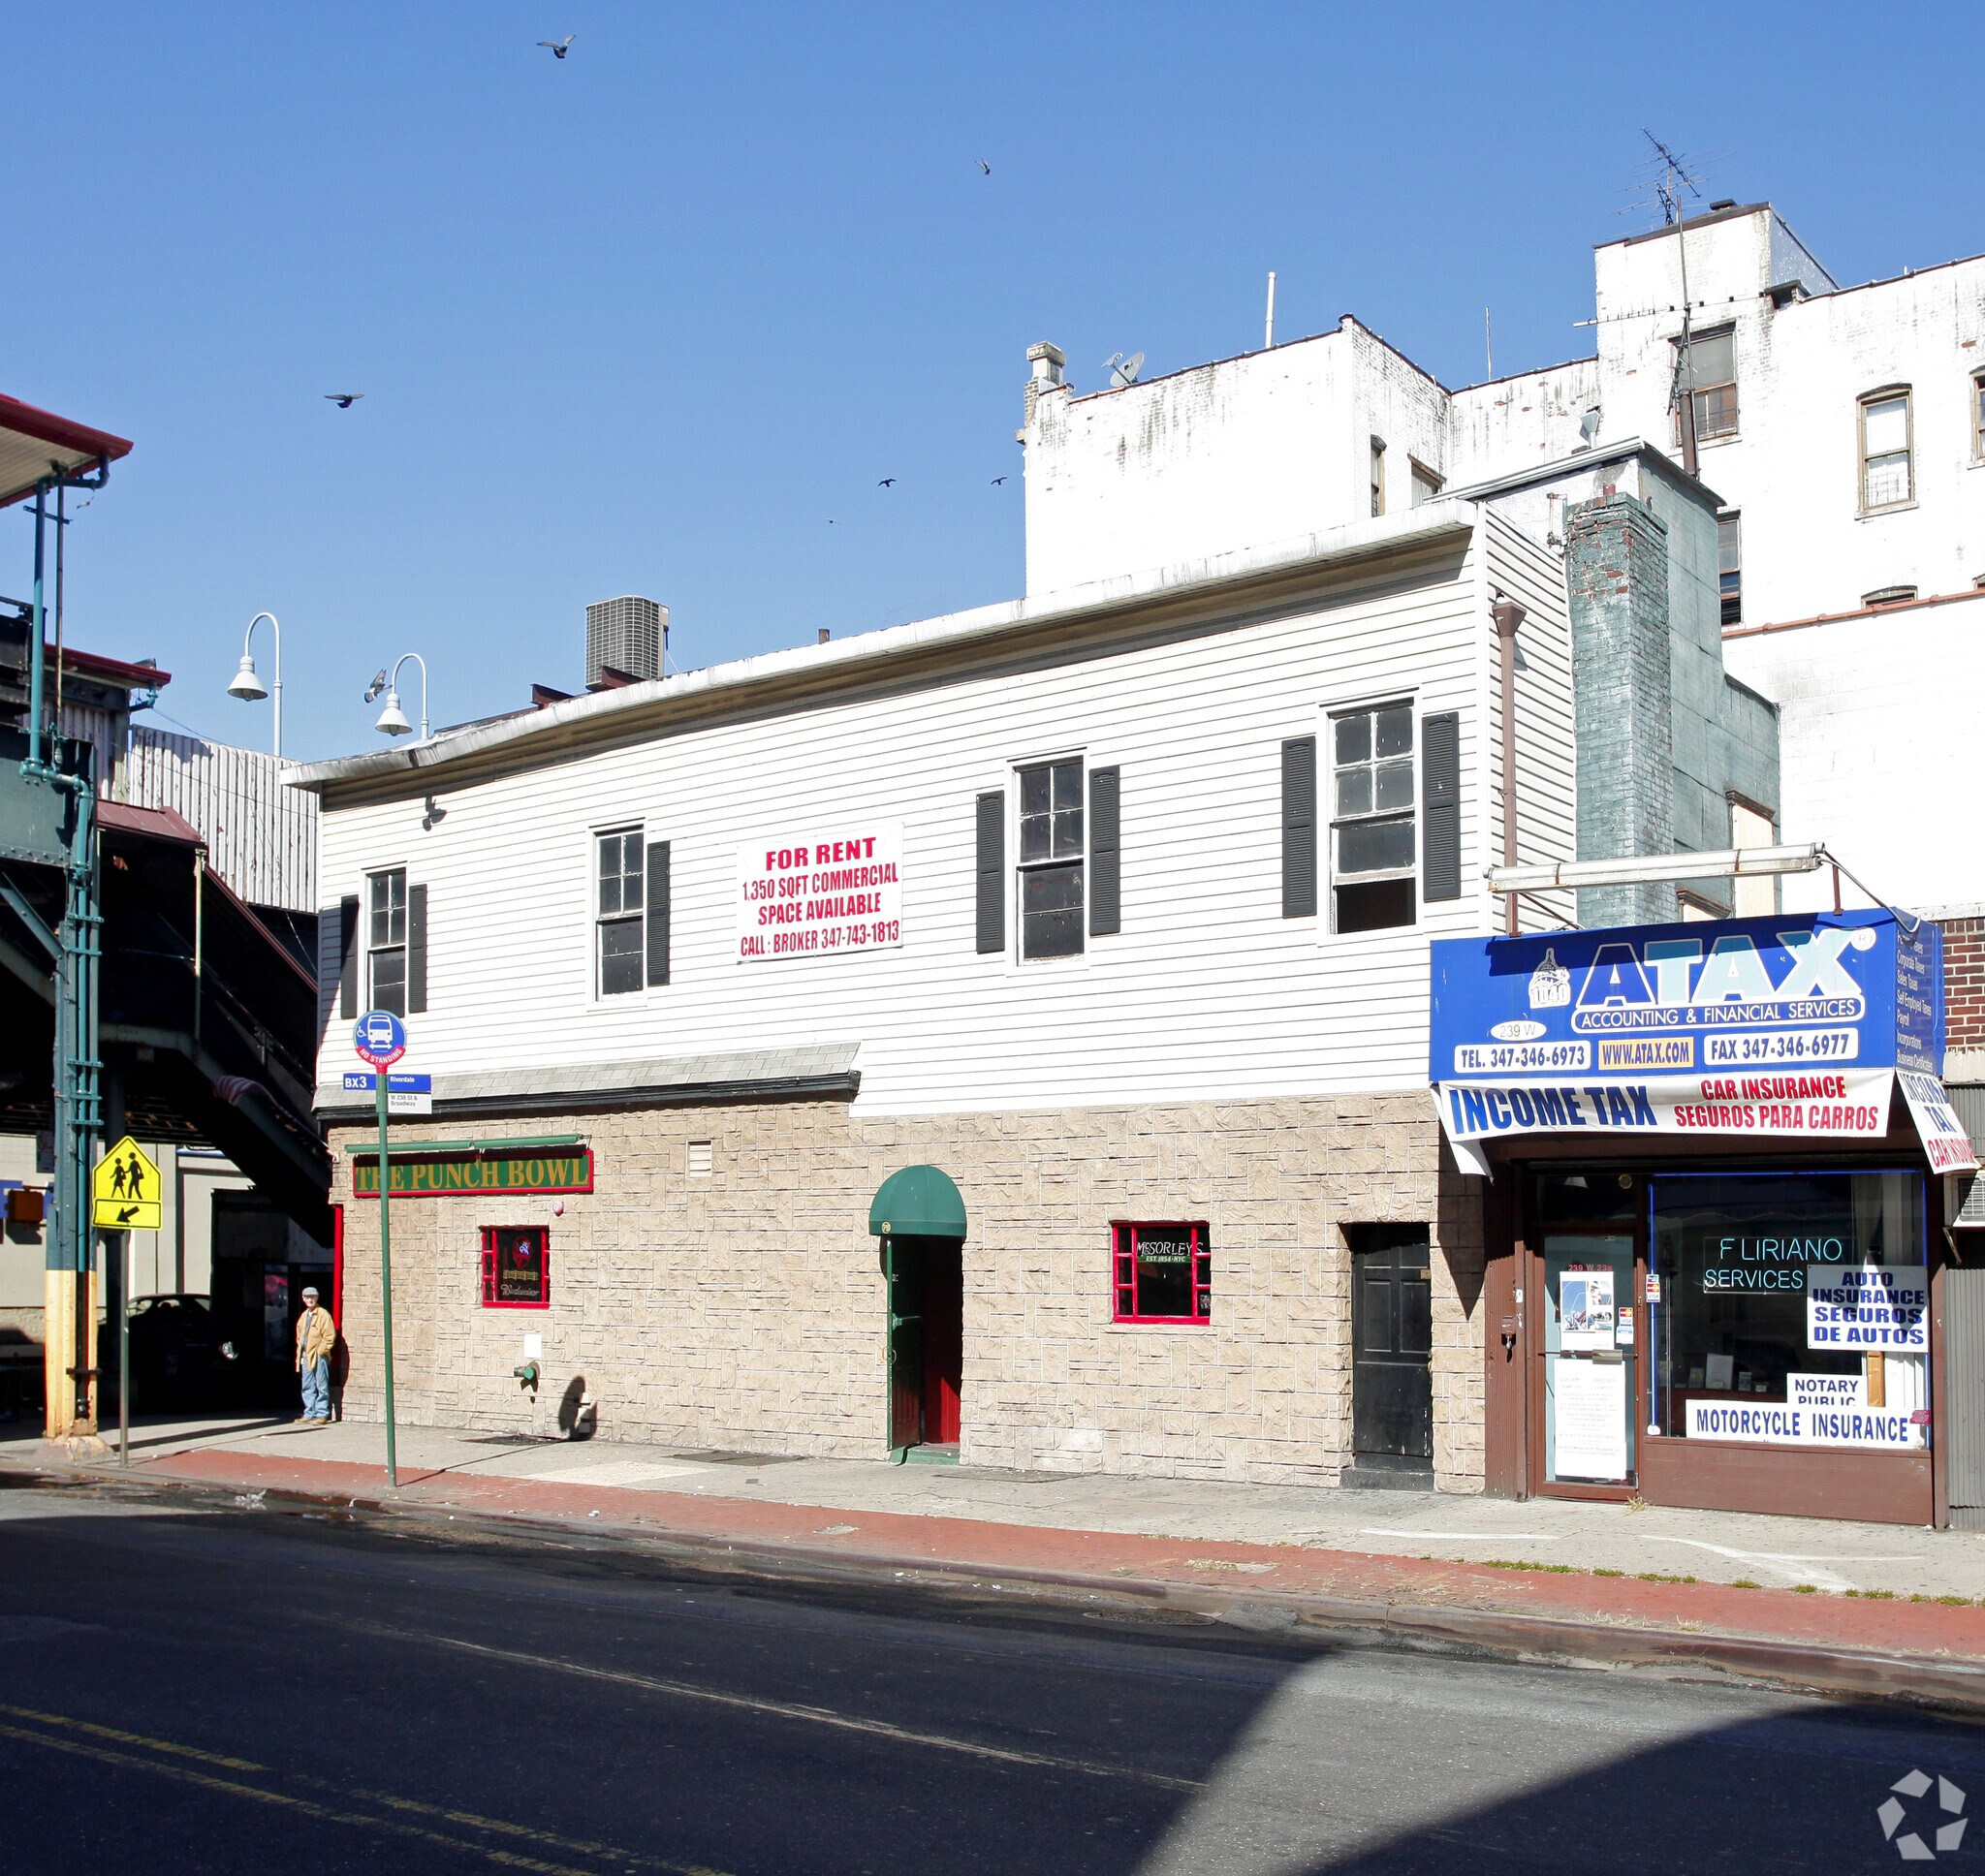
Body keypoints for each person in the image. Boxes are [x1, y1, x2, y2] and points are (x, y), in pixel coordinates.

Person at [295, 1287, 335, 1424]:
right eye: (307, 1297)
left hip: (319, 1355)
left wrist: (321, 1351)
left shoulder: (323, 1315)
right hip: (306, 1355)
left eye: (312, 1297)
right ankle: (309, 1413)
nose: (309, 1299)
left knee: (321, 1385)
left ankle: (322, 1414)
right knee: (307, 1385)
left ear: (317, 1298)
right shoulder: (304, 1316)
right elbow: (300, 1337)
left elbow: (329, 1336)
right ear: (303, 1299)